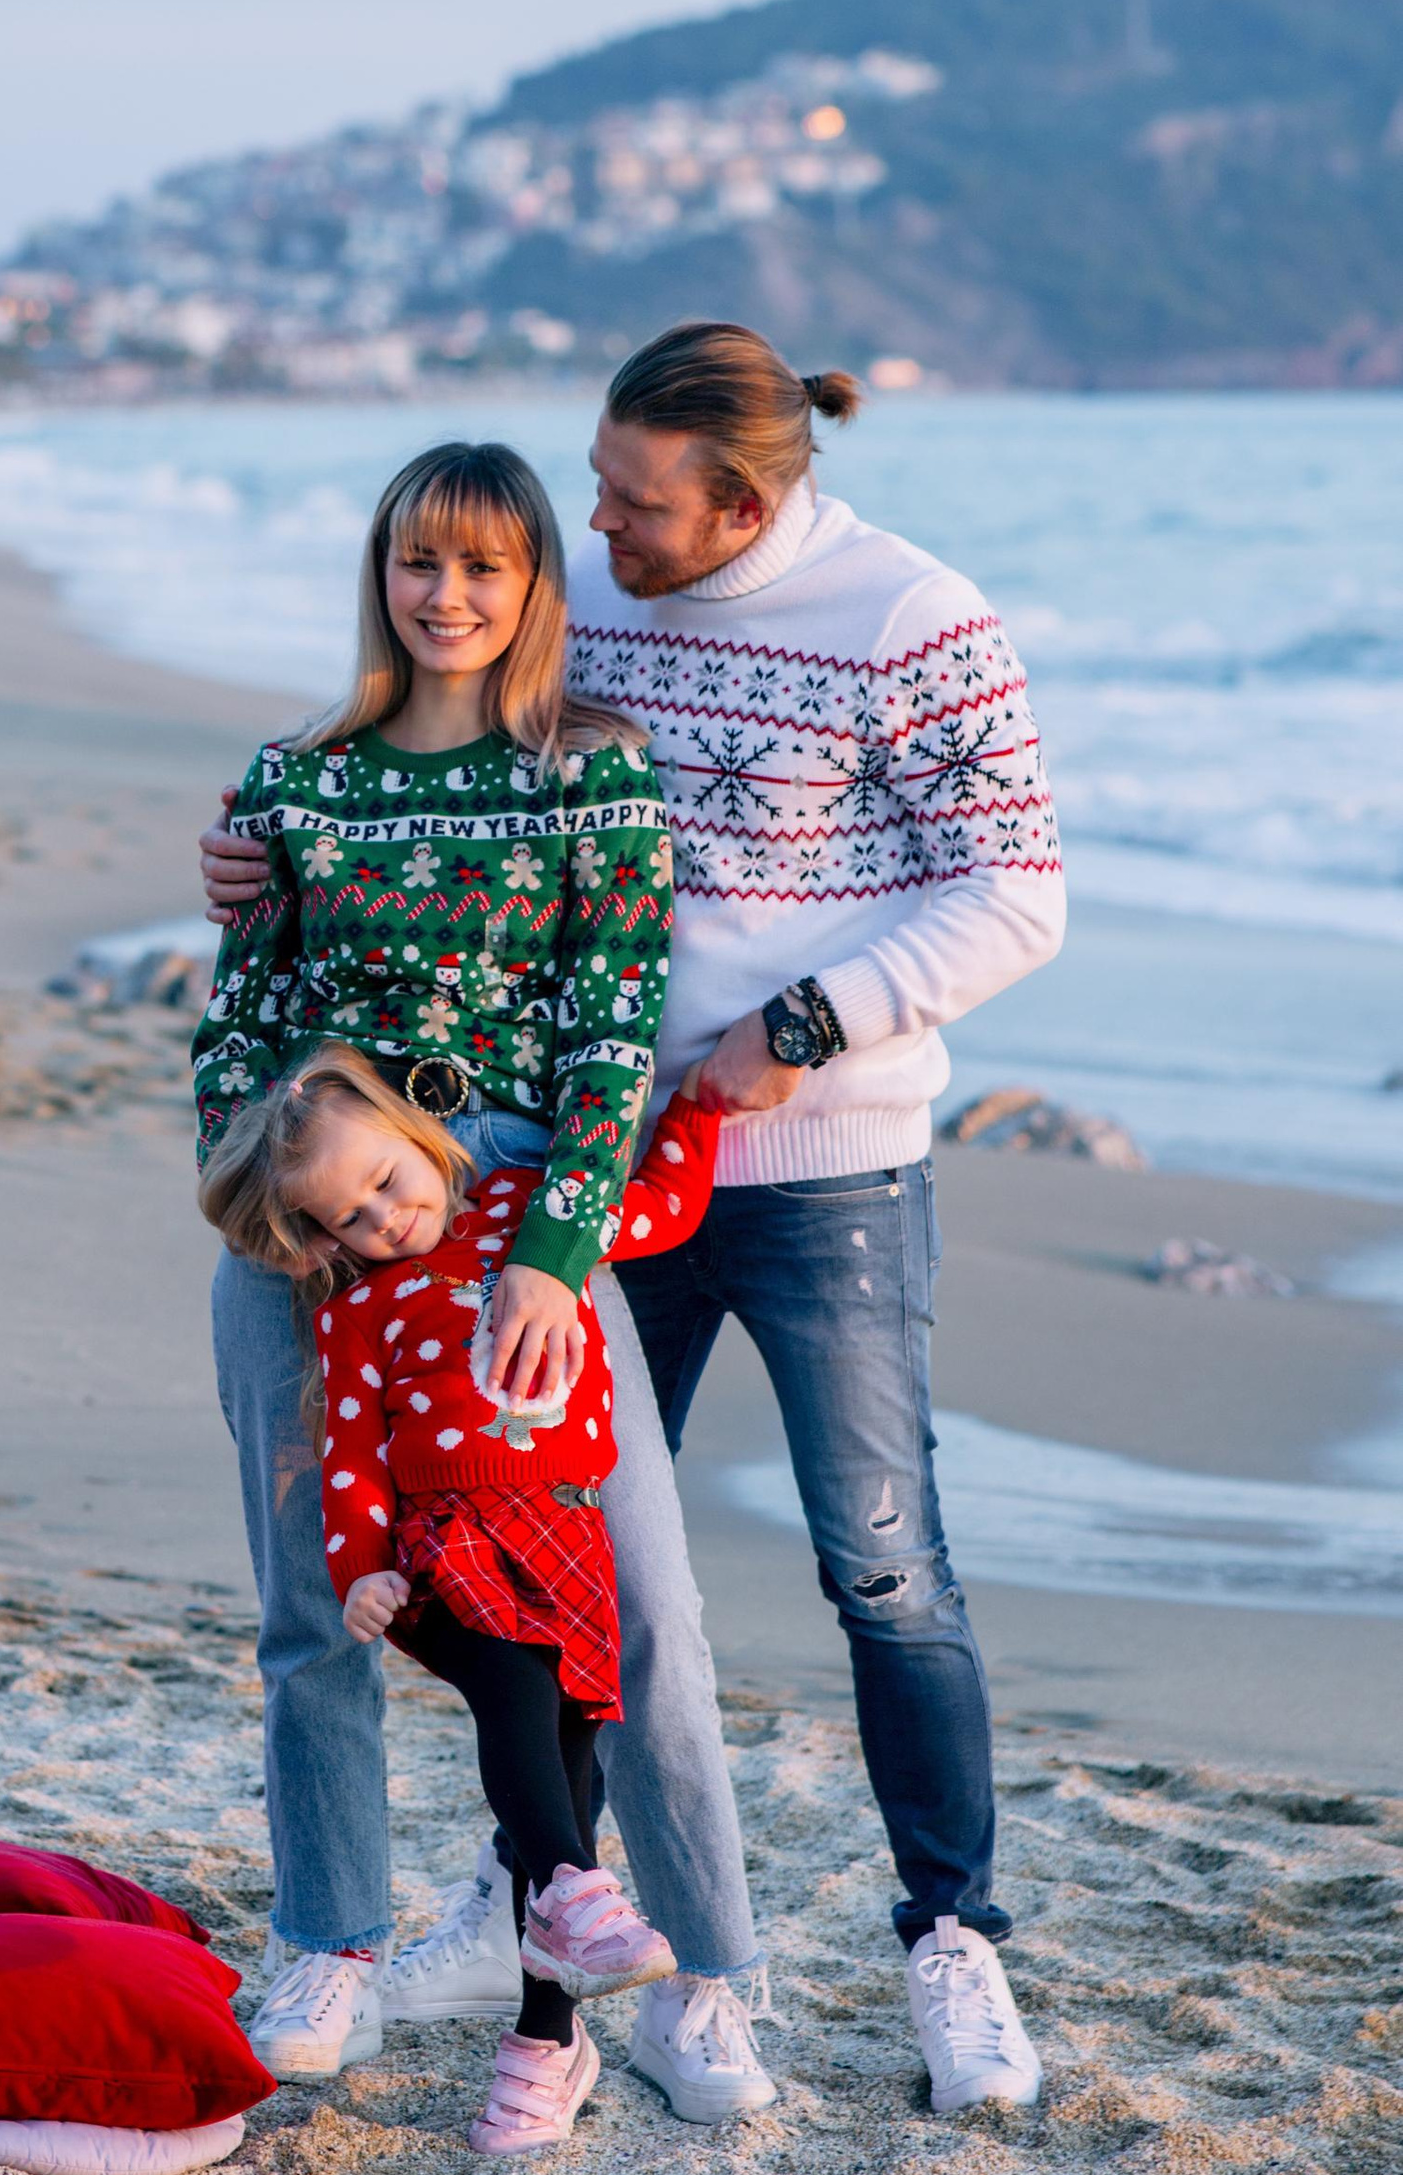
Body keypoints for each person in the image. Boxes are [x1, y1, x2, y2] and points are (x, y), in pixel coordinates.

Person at [200, 325, 1064, 2115]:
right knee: (426, 1588)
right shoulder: (552, 605)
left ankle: (878, 1949)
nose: (594, 527)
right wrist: (249, 888)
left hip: (760, 1163)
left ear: (741, 499)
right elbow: (294, 931)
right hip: (439, 1198)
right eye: (583, 493)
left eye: (627, 500)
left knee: (828, 1580)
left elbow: (1013, 892)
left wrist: (779, 1048)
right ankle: (451, 1927)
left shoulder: (908, 618)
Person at [192, 439, 777, 2125]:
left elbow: (615, 1032)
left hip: (522, 1221)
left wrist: (551, 1250)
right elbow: (235, 1041)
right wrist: (273, 1221)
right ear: (380, 577)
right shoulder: (295, 781)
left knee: (641, 1605)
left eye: (484, 570)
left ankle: (703, 1978)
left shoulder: (591, 773)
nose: (445, 598)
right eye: (416, 565)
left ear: (535, 591)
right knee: (317, 1601)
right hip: (318, 1228)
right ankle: (328, 1940)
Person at [200, 1041, 721, 2150]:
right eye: (347, 1217)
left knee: (570, 1745)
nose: (382, 1220)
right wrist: (365, 1569)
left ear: (423, 1135)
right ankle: (578, 1892)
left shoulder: (537, 1231)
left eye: (388, 1181)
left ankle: (545, 2037)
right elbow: (349, 1457)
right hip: (448, 1548)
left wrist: (704, 1101)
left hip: (568, 1535)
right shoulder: (356, 1312)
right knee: (511, 1698)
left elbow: (664, 1206)